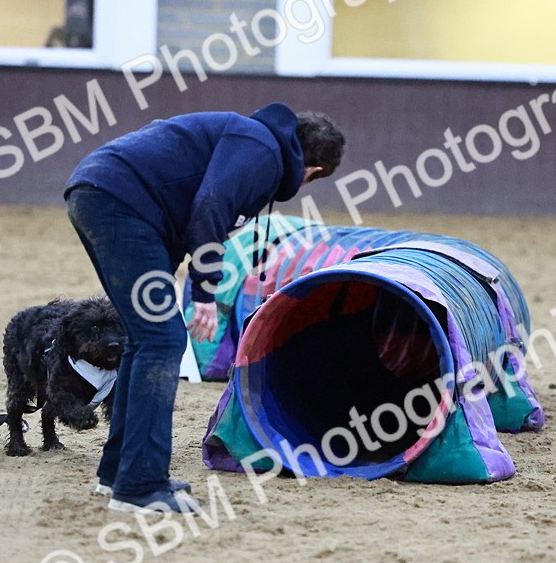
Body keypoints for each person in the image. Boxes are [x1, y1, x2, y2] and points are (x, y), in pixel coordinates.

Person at [64, 103, 346, 514]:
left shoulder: (253, 141)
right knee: (161, 339)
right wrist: (204, 294)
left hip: (105, 193)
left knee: (146, 339)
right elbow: (210, 206)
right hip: (118, 201)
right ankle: (140, 486)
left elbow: (188, 211)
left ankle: (119, 475)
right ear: (313, 171)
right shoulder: (262, 149)